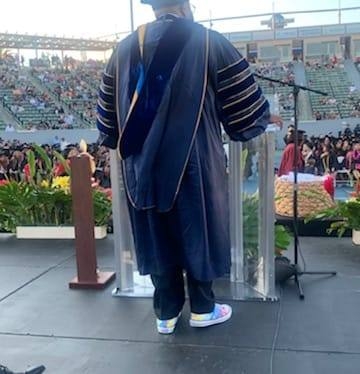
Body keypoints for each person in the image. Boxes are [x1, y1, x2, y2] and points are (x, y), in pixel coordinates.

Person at [96, 0, 282, 334]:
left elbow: (108, 124)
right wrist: (264, 118)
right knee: (197, 229)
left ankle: (165, 313)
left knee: (156, 229)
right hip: (194, 163)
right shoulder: (208, 41)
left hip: (140, 165)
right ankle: (203, 308)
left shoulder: (123, 50)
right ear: (184, 5)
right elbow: (243, 109)